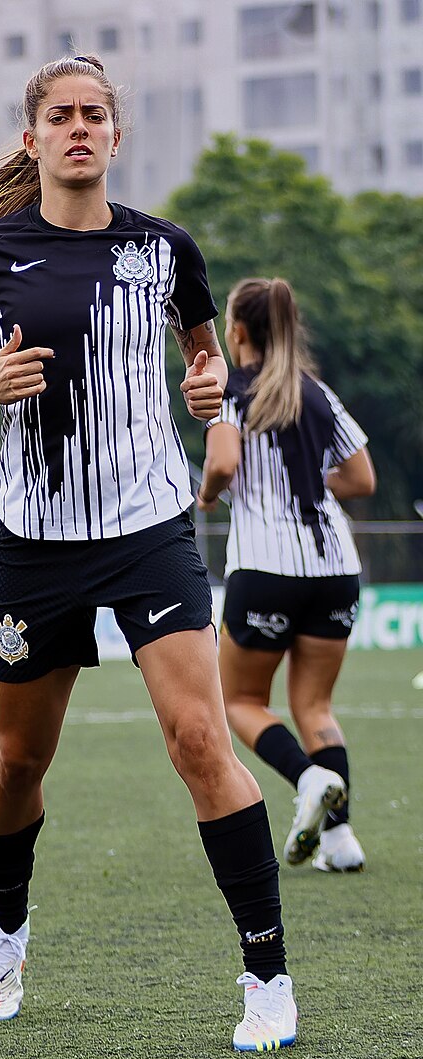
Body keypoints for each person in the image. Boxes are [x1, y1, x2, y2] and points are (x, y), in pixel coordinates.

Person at [0, 56, 297, 1053]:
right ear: (35, 135)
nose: (80, 128)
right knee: (15, 762)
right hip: (34, 542)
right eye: (61, 115)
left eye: (95, 114)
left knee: (199, 741)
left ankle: (266, 975)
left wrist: (211, 407)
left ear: (114, 137)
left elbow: (205, 361)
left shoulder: (166, 249)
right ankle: (6, 921)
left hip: (148, 530)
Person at [198, 277, 376, 875]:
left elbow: (223, 462)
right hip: (335, 567)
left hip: (266, 566)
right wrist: (309, 486)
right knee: (316, 707)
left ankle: (308, 778)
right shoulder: (319, 394)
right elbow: (362, 479)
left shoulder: (231, 390)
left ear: (239, 331)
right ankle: (341, 840)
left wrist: (207, 495)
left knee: (240, 701)